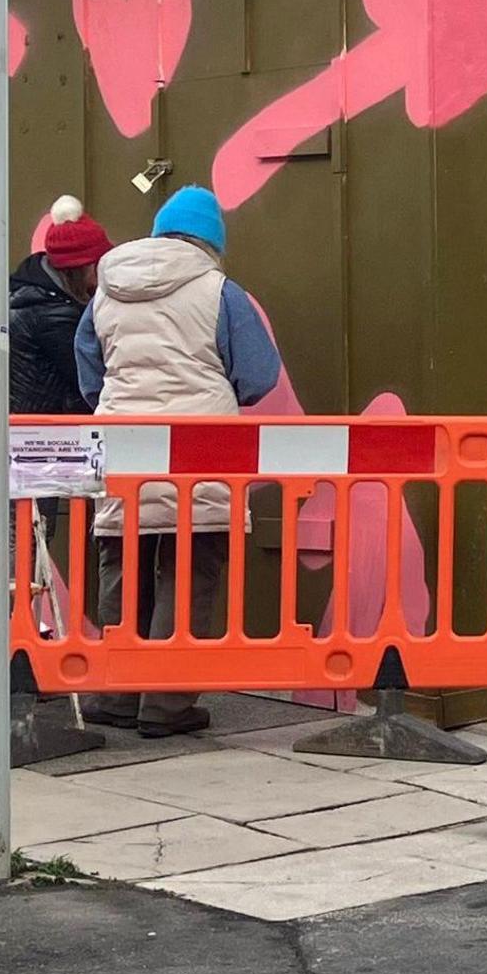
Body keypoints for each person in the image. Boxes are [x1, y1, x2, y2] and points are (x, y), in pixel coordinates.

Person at [72, 186, 284, 738]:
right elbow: (258, 375)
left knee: (123, 566)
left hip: (124, 446)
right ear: (211, 242)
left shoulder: (106, 291)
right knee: (190, 571)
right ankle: (165, 704)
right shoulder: (221, 292)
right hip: (202, 449)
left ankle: (118, 693)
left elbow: (89, 373)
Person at [5, 196, 114, 616]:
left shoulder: (31, 296)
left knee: (25, 538)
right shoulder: (54, 316)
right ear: (81, 269)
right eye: (97, 266)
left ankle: (17, 636)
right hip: (40, 443)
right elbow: (88, 377)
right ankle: (15, 640)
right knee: (26, 541)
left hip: (32, 440)